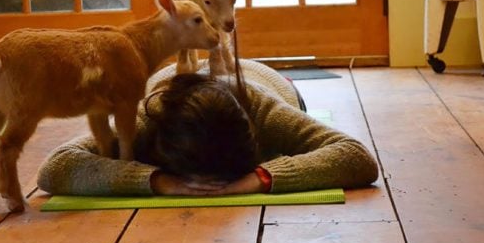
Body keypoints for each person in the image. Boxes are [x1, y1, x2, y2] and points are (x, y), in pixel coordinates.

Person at [37, 59, 379, 196]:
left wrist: (259, 178)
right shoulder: (146, 119)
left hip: (263, 77)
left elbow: (354, 156)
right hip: (175, 83)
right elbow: (57, 166)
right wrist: (157, 180)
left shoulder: (262, 109)